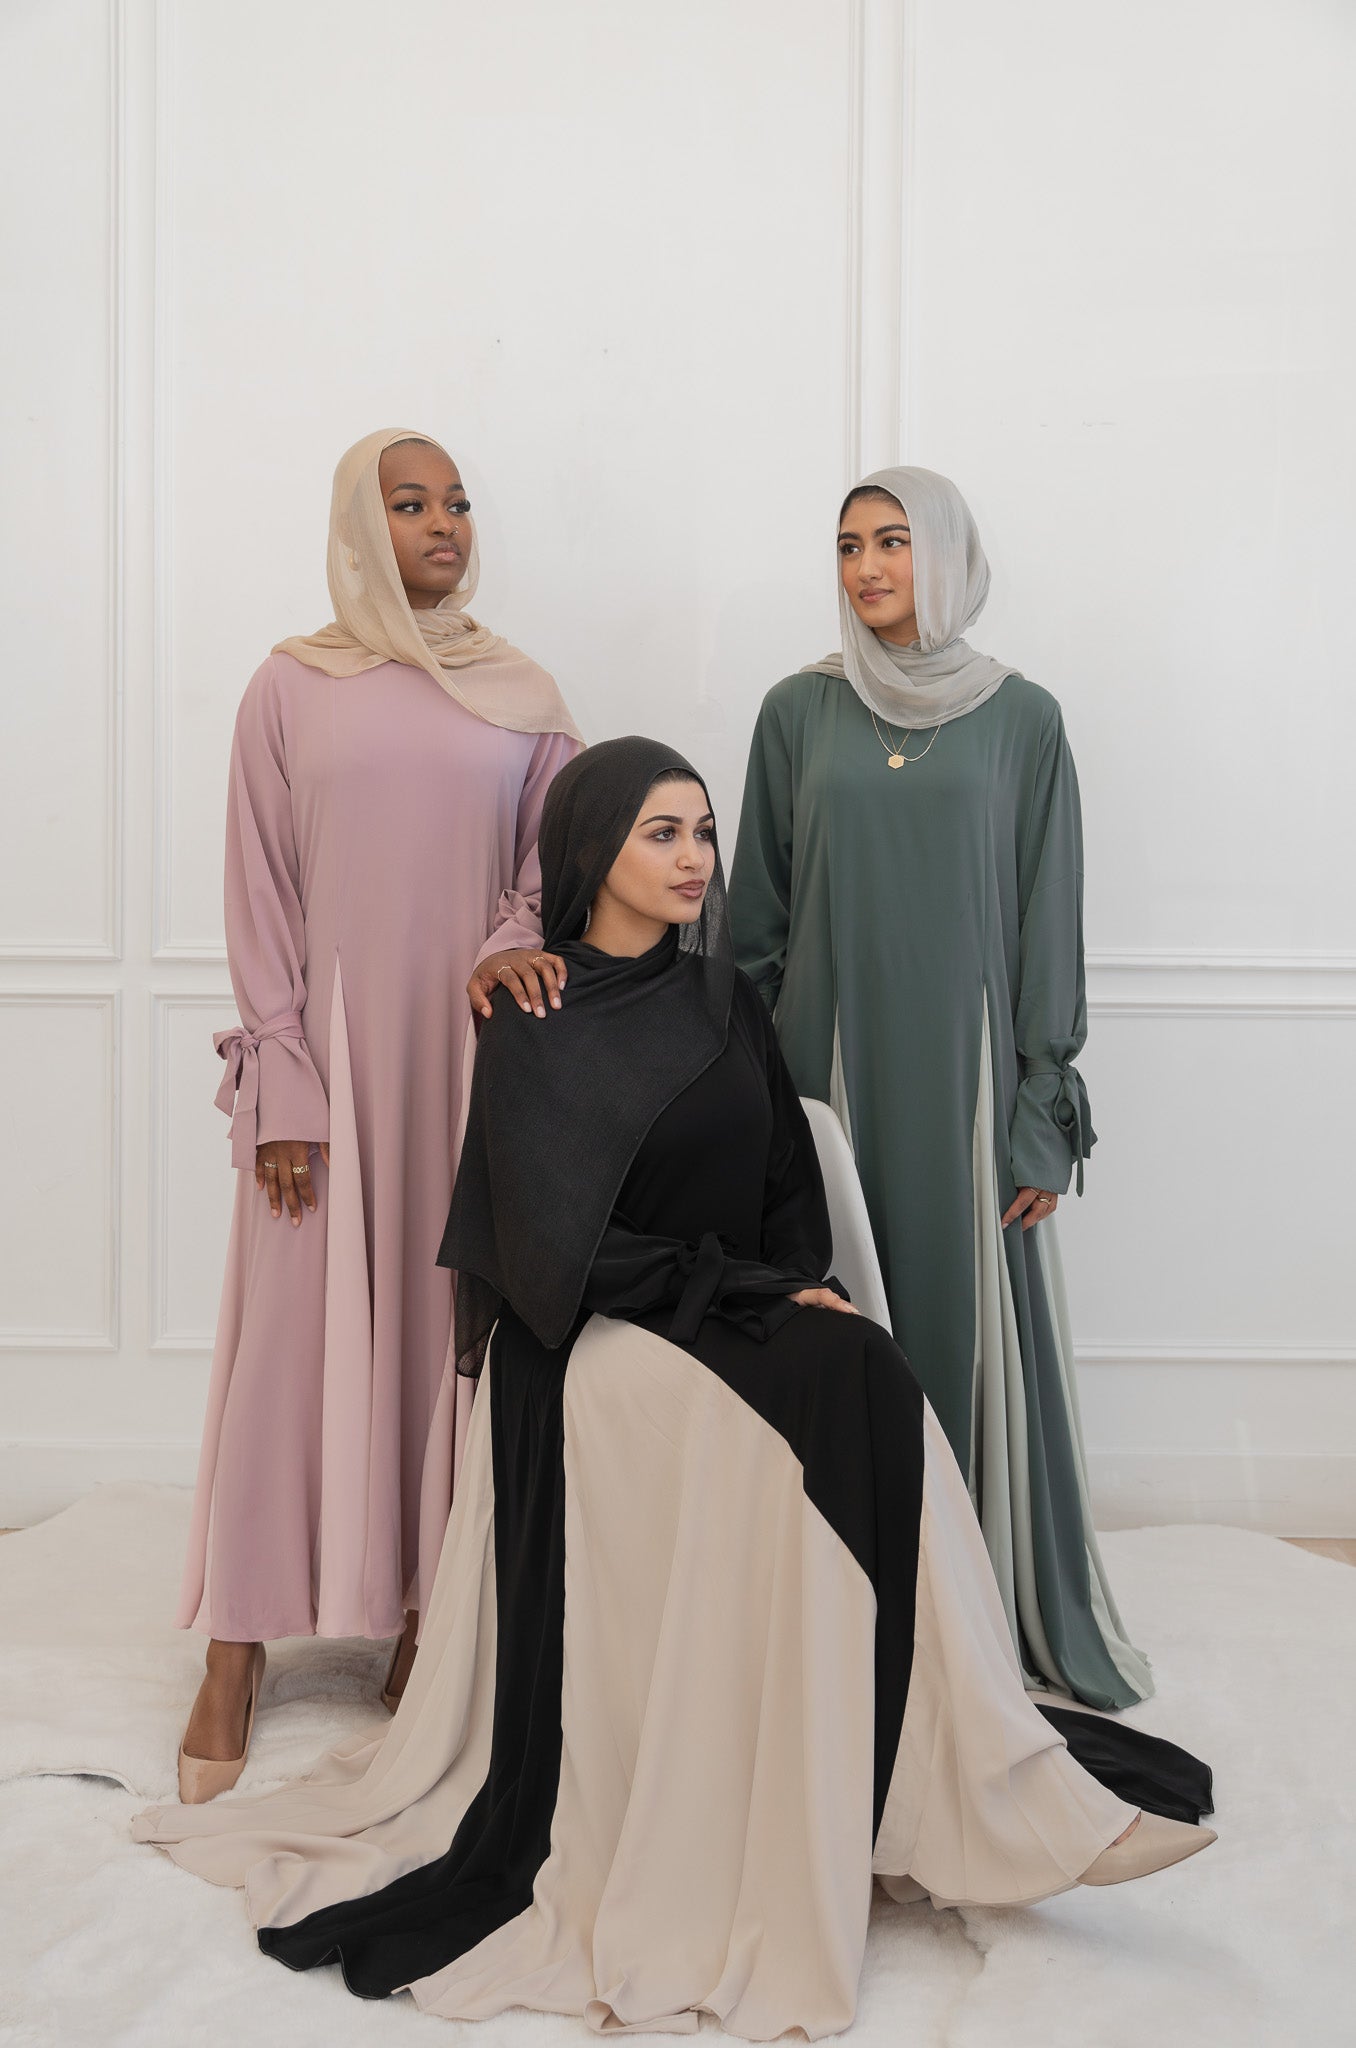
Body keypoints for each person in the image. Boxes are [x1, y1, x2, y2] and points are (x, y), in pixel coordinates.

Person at [135, 738, 1213, 2039]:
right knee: (838, 1388)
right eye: (662, 832)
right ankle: (984, 1791)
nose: (696, 855)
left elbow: (785, 1193)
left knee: (868, 1374)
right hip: (583, 1337)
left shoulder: (724, 1001)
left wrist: (786, 1285)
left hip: (714, 1306)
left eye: (703, 830)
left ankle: (966, 1772)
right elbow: (550, 1249)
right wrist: (738, 1293)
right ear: (594, 850)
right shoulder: (530, 1011)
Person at [174, 429, 582, 1799]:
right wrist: (283, 1076)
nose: (443, 524)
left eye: (457, 503)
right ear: (362, 525)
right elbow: (259, 888)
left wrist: (511, 943)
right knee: (286, 1341)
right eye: (410, 504)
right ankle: (235, 1645)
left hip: (467, 1064)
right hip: (331, 1068)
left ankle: (425, 1616)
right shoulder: (289, 687)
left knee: (447, 1331)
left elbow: (555, 863)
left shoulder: (524, 695)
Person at [728, 466, 1150, 1711]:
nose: (867, 566)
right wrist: (757, 1107)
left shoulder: (1025, 720)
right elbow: (754, 928)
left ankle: (966, 1615)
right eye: (849, 544)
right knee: (835, 1329)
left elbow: (1047, 922)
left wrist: (1040, 1113)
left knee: (961, 1339)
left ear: (949, 556)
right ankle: (846, 1609)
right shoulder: (797, 710)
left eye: (894, 541)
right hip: (826, 1083)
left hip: (964, 1091)